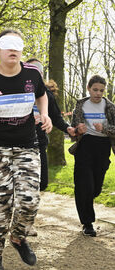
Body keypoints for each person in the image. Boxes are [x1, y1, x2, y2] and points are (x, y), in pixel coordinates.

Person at [0, 29, 52, 270]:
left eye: (18, 45)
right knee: (1, 206)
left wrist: (44, 114)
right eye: (7, 45)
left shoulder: (33, 74)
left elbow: (42, 95)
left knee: (30, 200)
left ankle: (18, 238)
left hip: (26, 147)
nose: (13, 49)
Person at [70, 75, 115, 237]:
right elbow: (73, 129)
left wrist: (105, 129)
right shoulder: (81, 105)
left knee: (95, 188)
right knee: (84, 186)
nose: (98, 93)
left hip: (103, 148)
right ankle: (87, 223)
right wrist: (77, 130)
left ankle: (91, 196)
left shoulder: (110, 107)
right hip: (85, 146)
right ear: (89, 89)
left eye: (101, 90)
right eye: (95, 90)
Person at [27, 58, 75, 192]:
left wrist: (68, 128)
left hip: (39, 142)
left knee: (42, 184)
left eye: (39, 71)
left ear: (42, 74)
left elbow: (56, 118)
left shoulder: (47, 95)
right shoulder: (18, 91)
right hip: (20, 144)